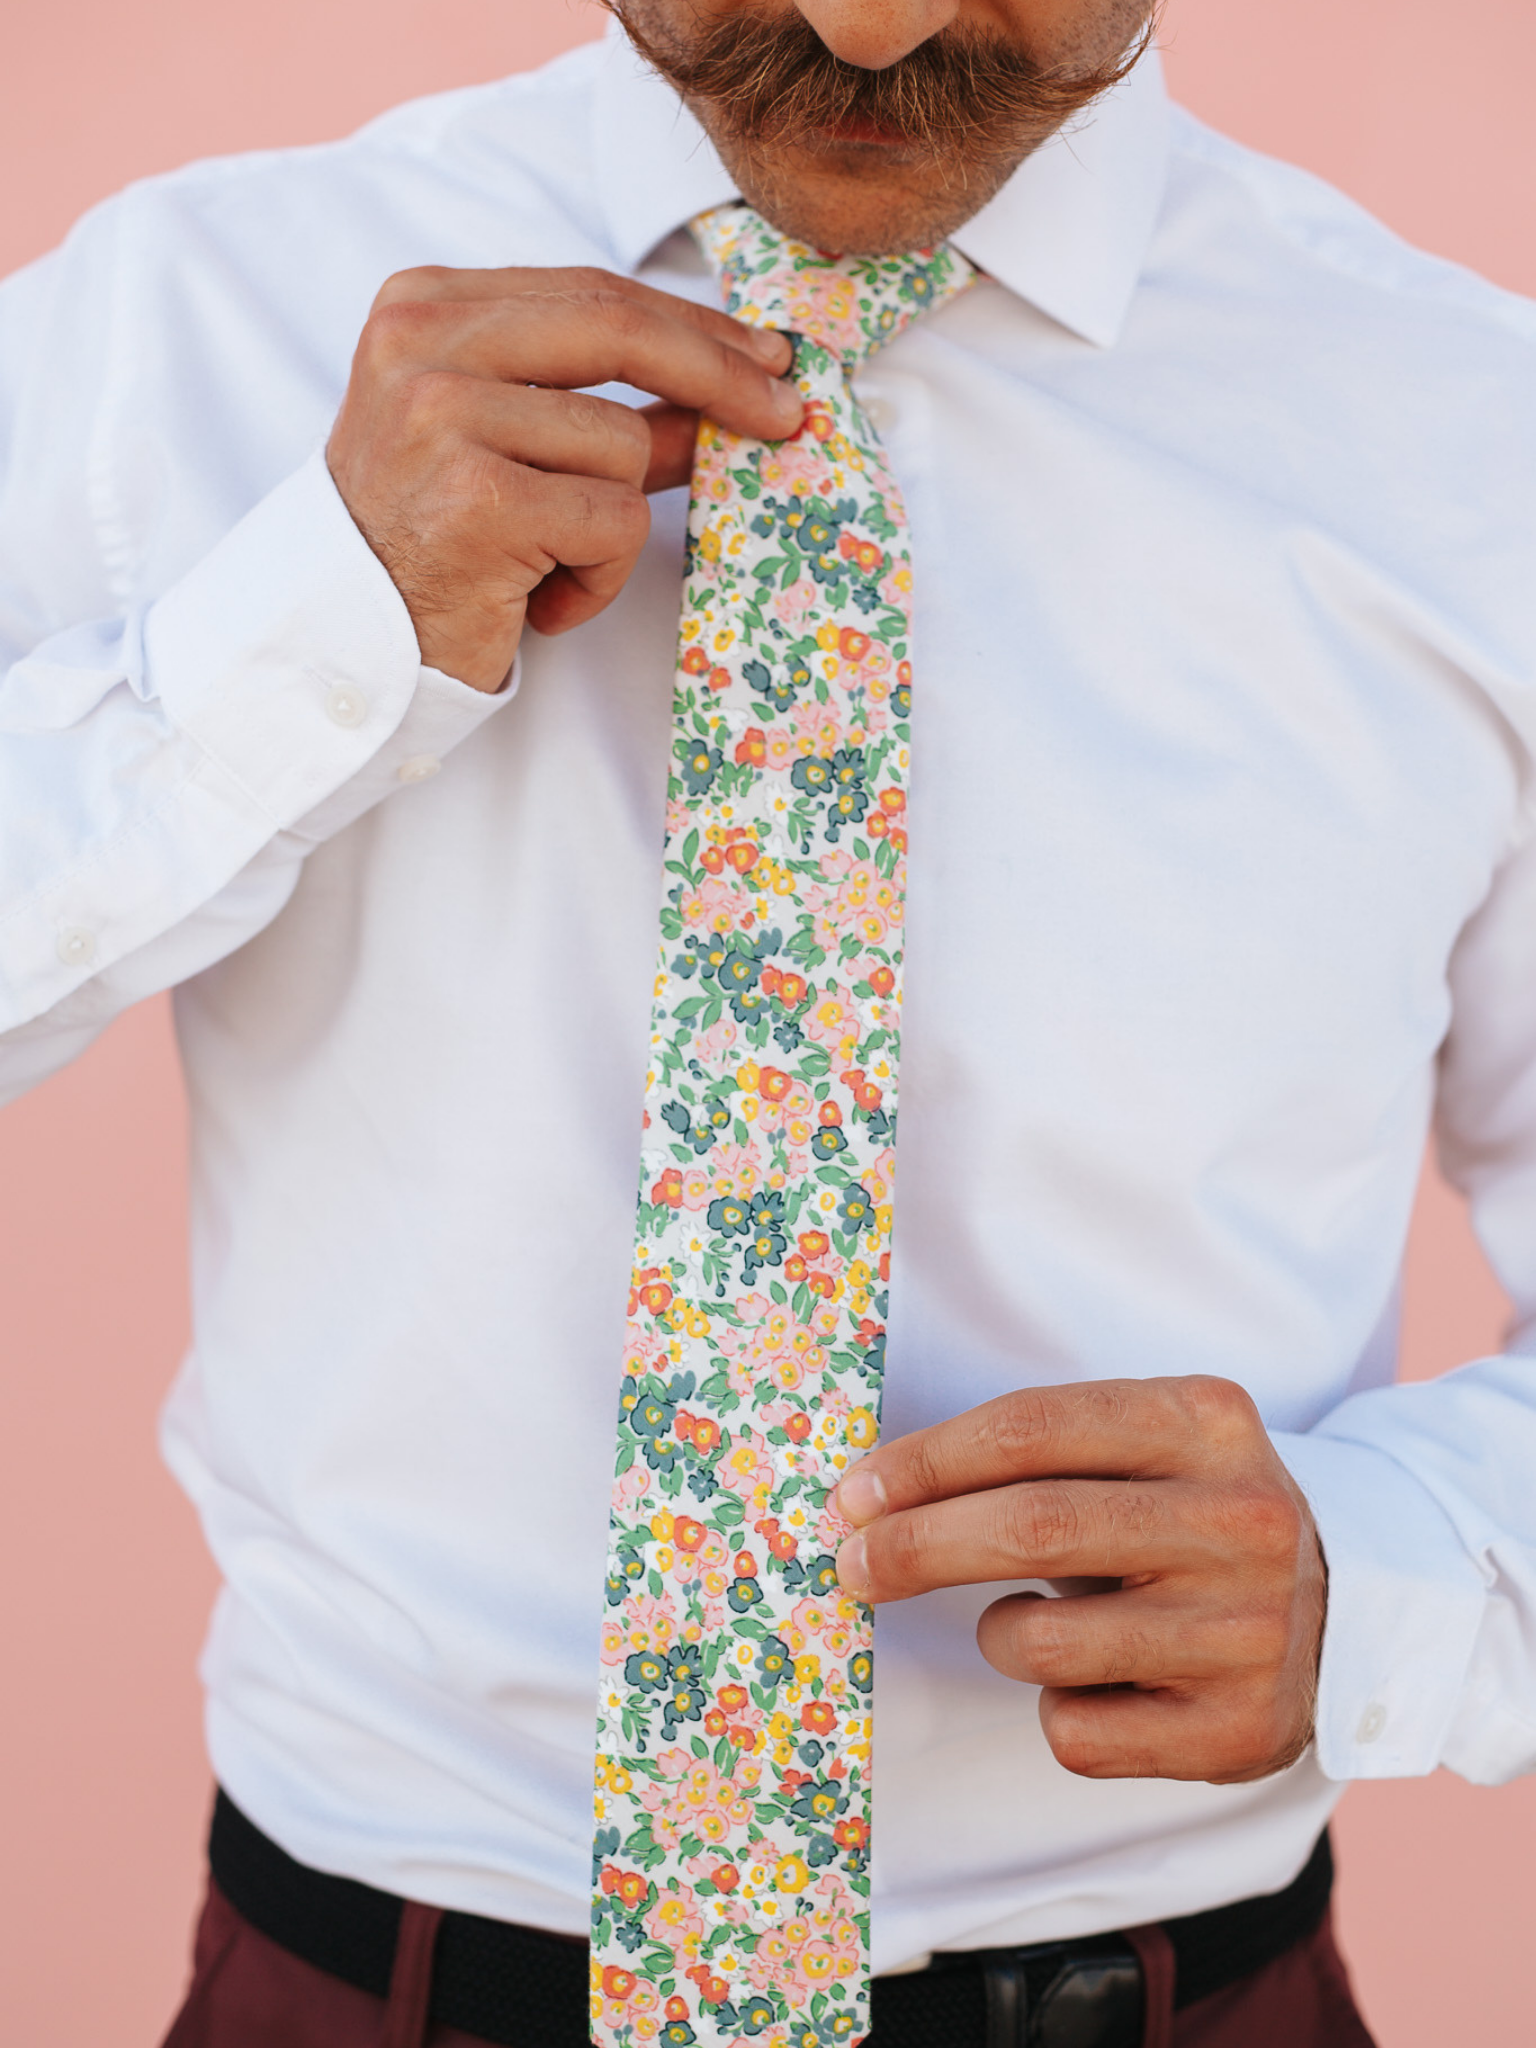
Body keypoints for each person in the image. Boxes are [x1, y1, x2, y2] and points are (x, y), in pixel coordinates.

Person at [1, 1, 1531, 2042]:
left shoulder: (1477, 443)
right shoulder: (186, 320)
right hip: (356, 1971)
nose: (870, 18)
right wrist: (301, 633)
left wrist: (1403, 1570)